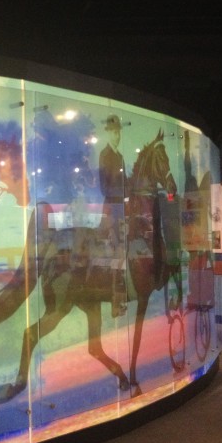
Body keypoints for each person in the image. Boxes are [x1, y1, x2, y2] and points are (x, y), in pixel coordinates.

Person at [98, 114, 128, 317]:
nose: (117, 136)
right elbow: (104, 188)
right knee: (116, 252)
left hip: (121, 208)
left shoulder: (120, 157)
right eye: (114, 132)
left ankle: (123, 294)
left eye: (119, 132)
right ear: (108, 133)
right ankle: (114, 303)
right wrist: (122, 196)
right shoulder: (105, 155)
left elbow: (125, 183)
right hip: (111, 209)